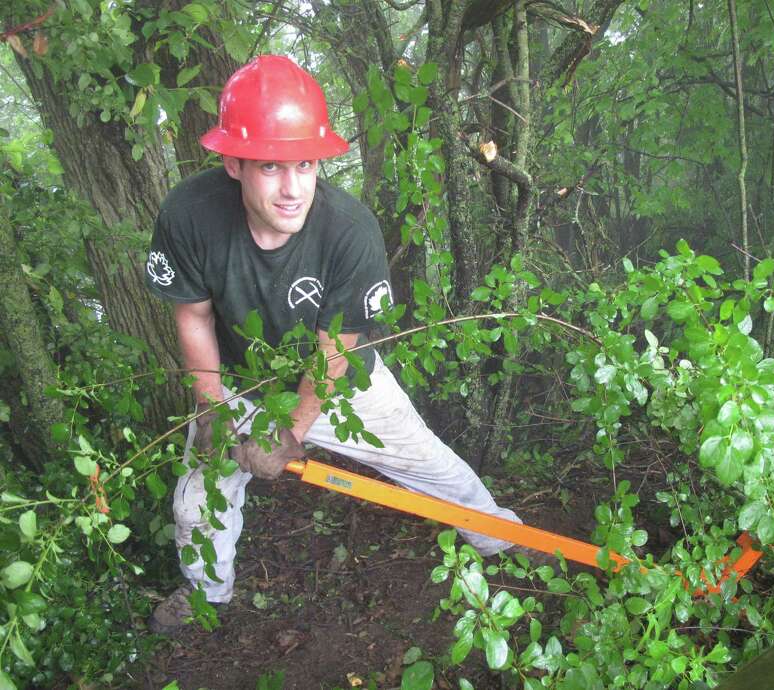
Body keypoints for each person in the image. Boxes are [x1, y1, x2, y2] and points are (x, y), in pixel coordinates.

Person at [145, 55, 542, 633]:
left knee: (428, 463)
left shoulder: (349, 231)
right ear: (234, 163)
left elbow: (335, 350)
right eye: (271, 167)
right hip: (239, 380)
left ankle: (500, 537)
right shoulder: (190, 216)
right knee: (195, 503)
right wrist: (211, 410)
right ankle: (205, 592)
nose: (292, 189)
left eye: (305, 165)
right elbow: (194, 317)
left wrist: (291, 432)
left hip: (340, 379)